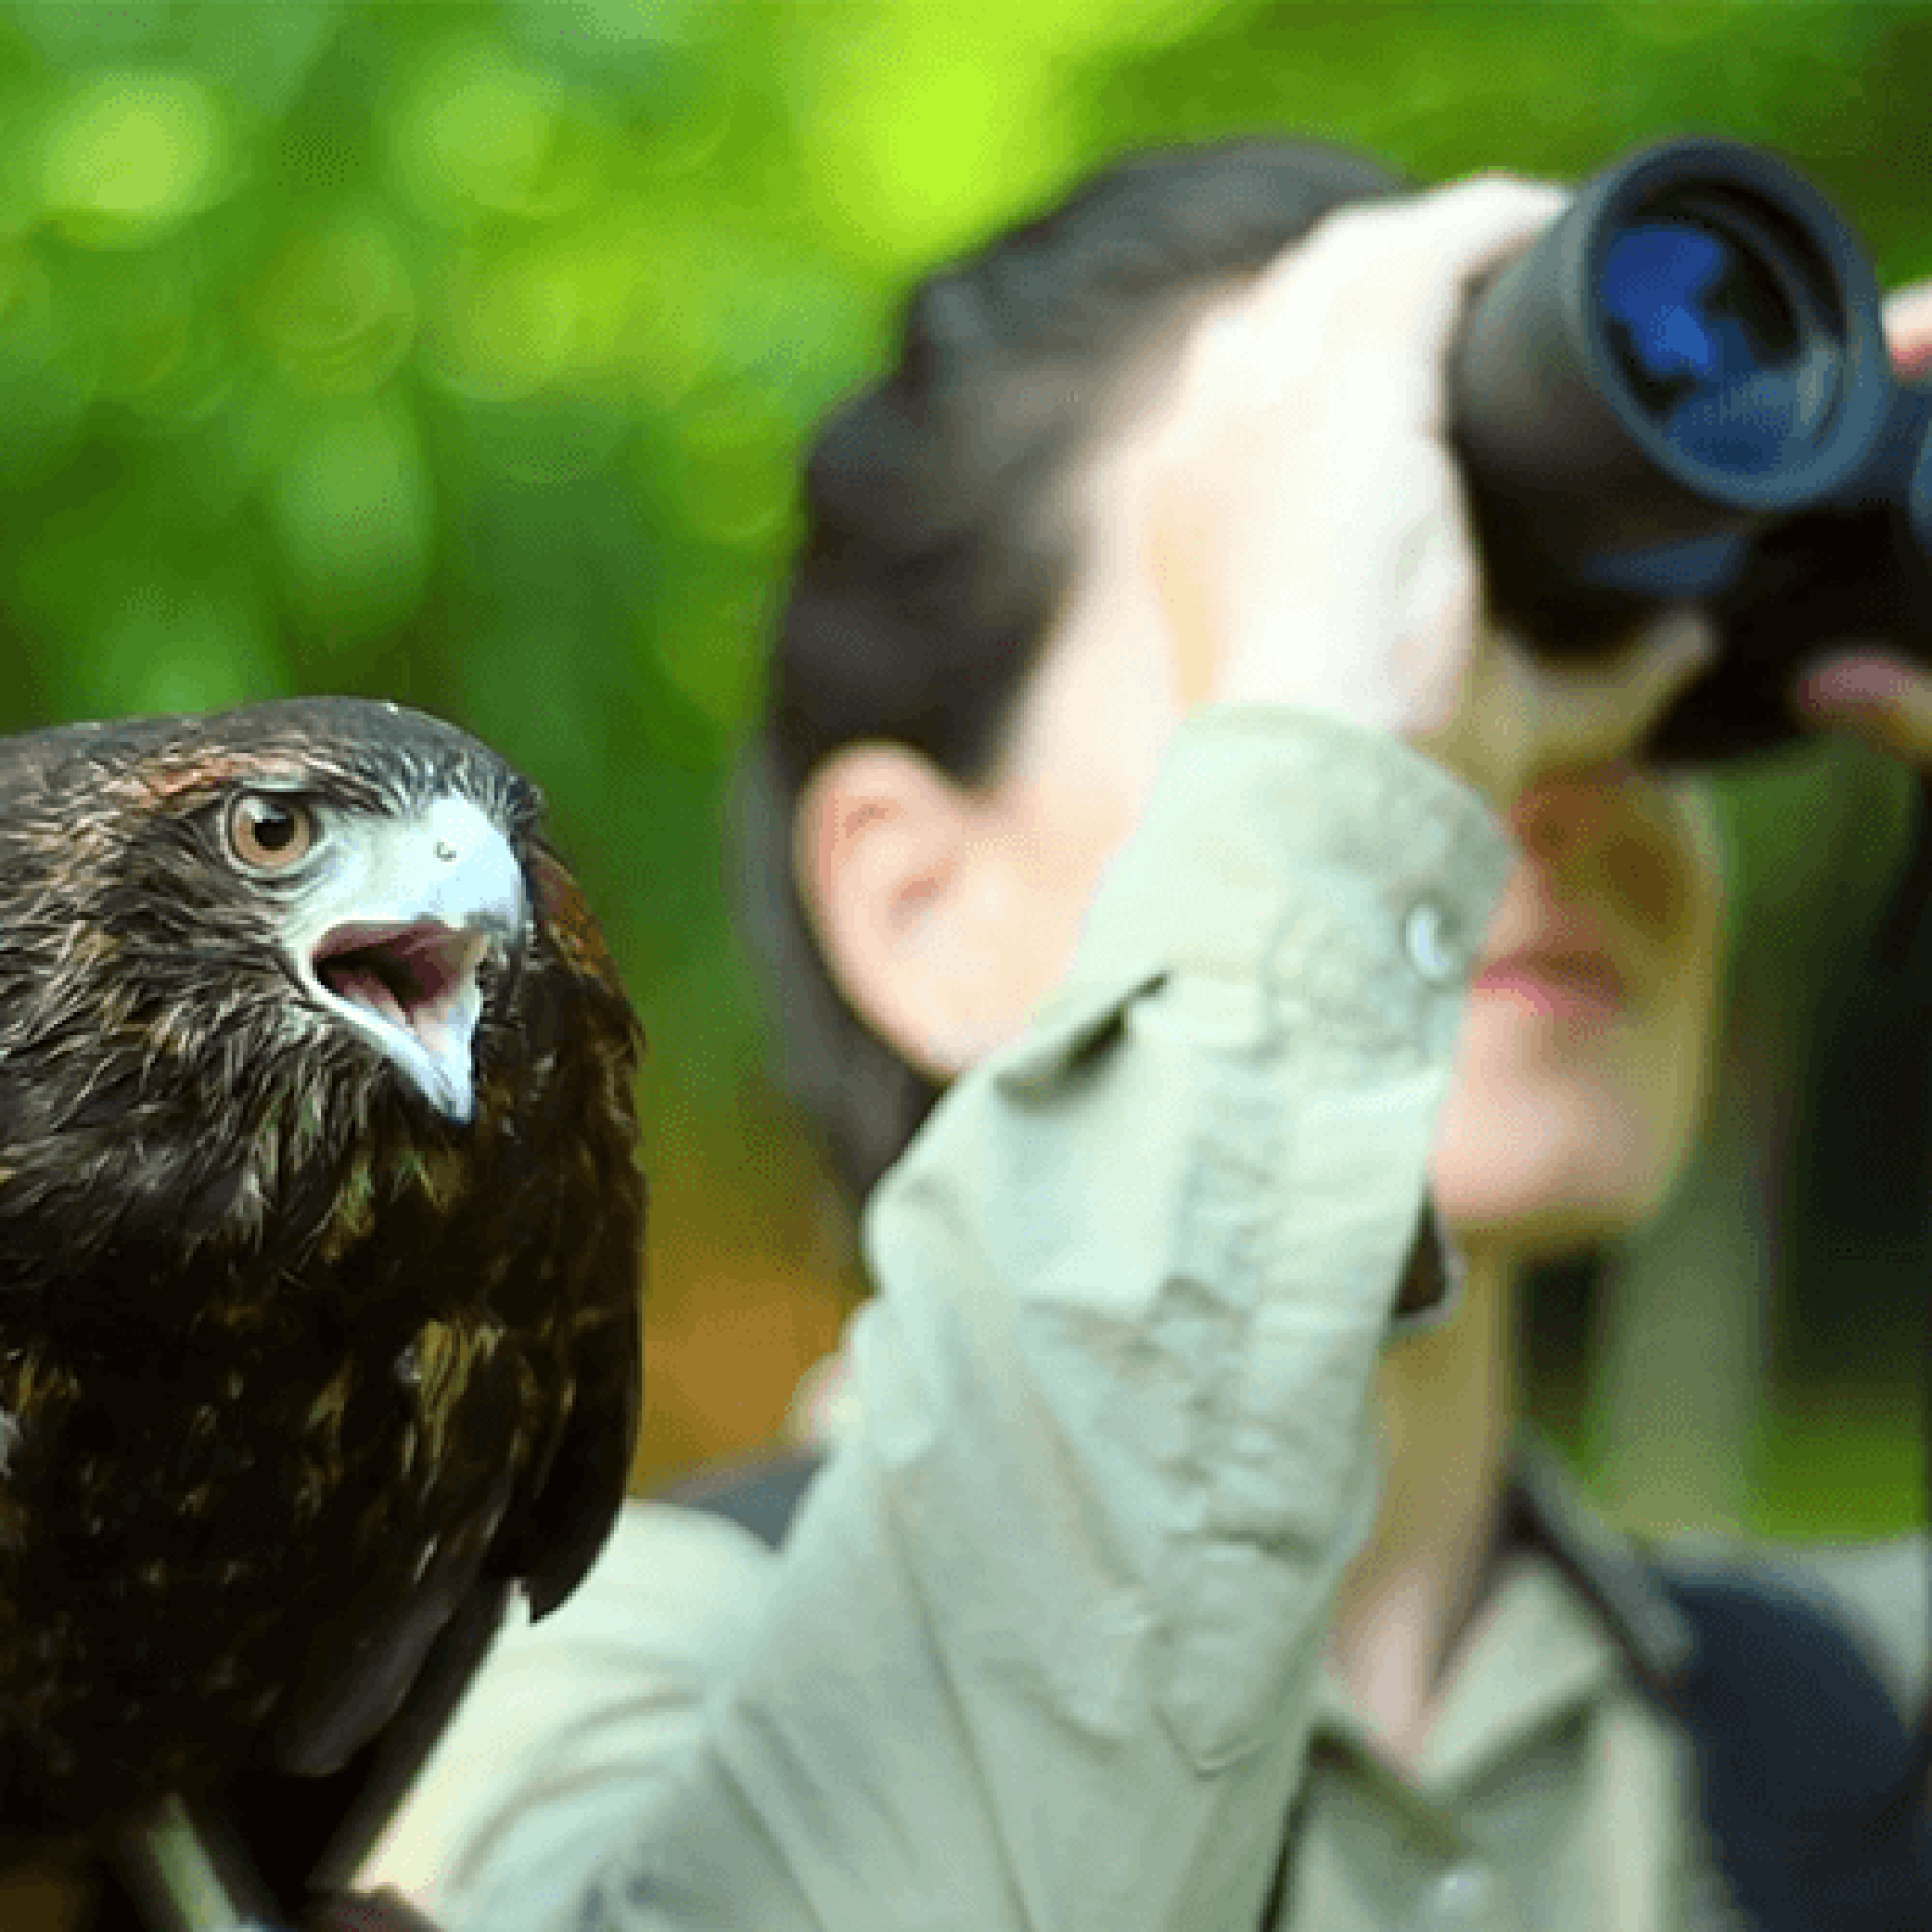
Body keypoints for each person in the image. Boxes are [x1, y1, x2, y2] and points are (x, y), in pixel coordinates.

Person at [358, 140, 1932, 1928]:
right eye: (1378, 619)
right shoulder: (568, 1699)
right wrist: (1344, 772)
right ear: (916, 906)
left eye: (1595, 638)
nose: (1533, 775)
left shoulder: (1851, 1721)